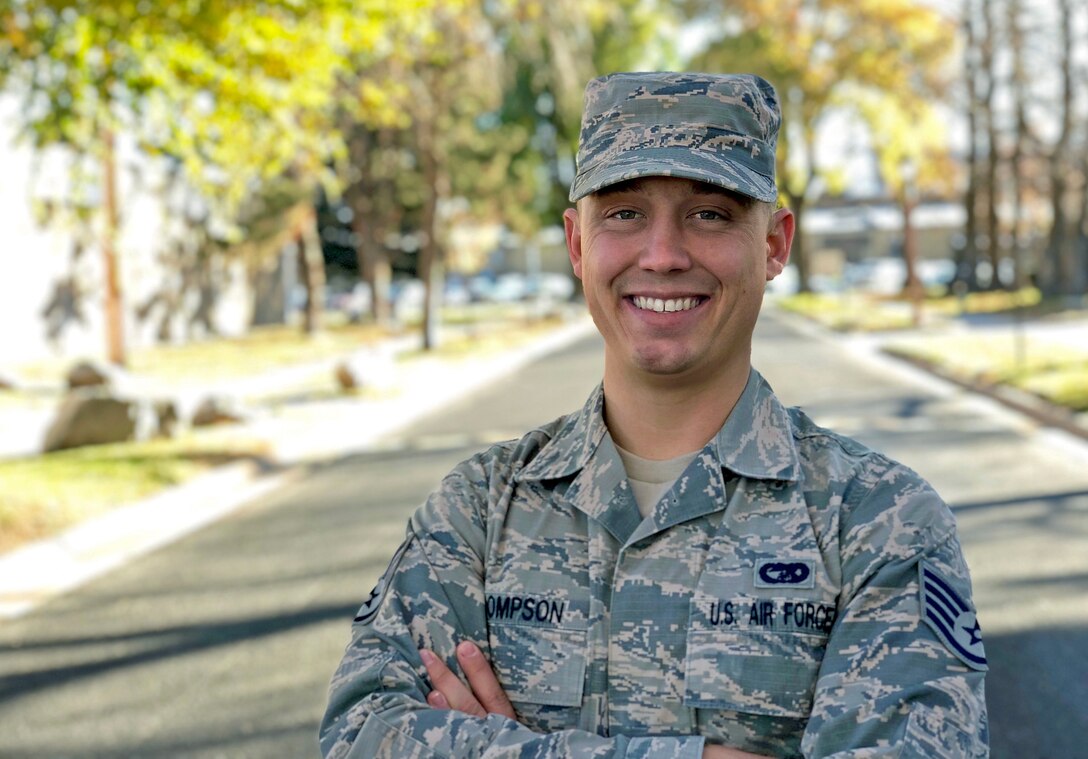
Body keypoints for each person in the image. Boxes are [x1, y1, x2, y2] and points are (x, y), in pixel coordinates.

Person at [319, 72, 989, 758]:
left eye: (711, 213)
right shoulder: (480, 510)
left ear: (775, 244)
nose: (663, 255)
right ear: (578, 245)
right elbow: (360, 735)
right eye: (624, 213)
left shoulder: (880, 520)